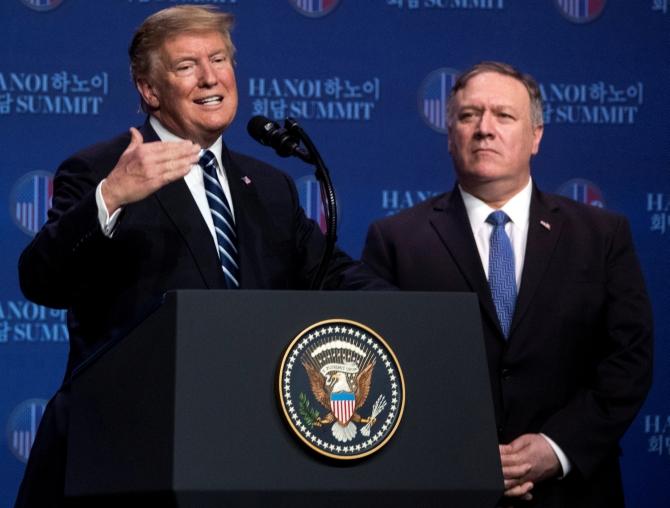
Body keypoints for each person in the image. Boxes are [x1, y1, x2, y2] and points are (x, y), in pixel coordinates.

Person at [15, 6, 385, 507]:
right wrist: (112, 197)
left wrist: (422, 317)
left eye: (219, 59)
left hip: (248, 451)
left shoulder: (269, 186)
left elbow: (335, 275)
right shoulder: (101, 169)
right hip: (129, 457)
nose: (210, 77)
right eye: (186, 66)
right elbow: (42, 280)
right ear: (149, 90)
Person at [362, 61, 652, 507]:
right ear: (450, 136)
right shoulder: (397, 240)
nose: (484, 129)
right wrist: (464, 457)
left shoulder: (601, 236)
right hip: (447, 490)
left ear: (536, 136)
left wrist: (556, 448)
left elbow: (629, 360)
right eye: (468, 116)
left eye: (503, 115)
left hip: (571, 493)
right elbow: (381, 372)